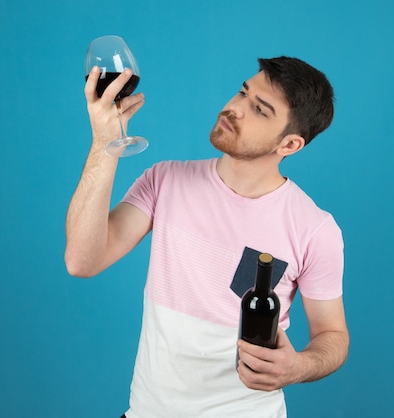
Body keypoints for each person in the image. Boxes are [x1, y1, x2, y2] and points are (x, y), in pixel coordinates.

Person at [65, 56, 349, 418]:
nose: (235, 108)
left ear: (290, 145)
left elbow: (333, 336)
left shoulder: (314, 228)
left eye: (260, 110)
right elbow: (81, 260)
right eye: (243, 92)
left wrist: (298, 367)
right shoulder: (165, 180)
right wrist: (104, 143)